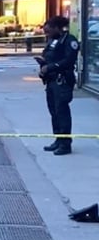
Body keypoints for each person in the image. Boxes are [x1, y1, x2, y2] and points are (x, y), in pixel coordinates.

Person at [38, 15, 79, 156]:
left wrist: (51, 67)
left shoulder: (69, 41)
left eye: (49, 31)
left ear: (57, 28)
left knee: (62, 112)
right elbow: (48, 55)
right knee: (54, 111)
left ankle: (65, 144)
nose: (47, 34)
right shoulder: (53, 41)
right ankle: (58, 139)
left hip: (62, 81)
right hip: (51, 81)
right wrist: (43, 64)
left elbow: (68, 60)